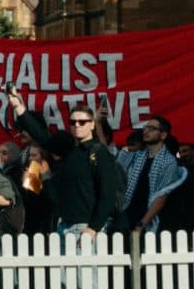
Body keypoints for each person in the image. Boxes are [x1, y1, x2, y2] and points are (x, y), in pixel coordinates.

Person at [7, 90, 126, 238]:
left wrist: (93, 228)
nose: (77, 125)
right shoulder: (69, 149)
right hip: (64, 226)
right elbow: (42, 136)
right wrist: (18, 107)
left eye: (82, 122)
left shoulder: (99, 151)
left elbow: (107, 195)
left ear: (92, 125)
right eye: (72, 122)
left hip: (86, 227)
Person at [113, 118, 186, 235]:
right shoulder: (135, 156)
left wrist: (141, 225)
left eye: (151, 129)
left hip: (149, 222)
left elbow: (160, 198)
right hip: (126, 215)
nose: (146, 131)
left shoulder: (169, 162)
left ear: (163, 135)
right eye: (145, 128)